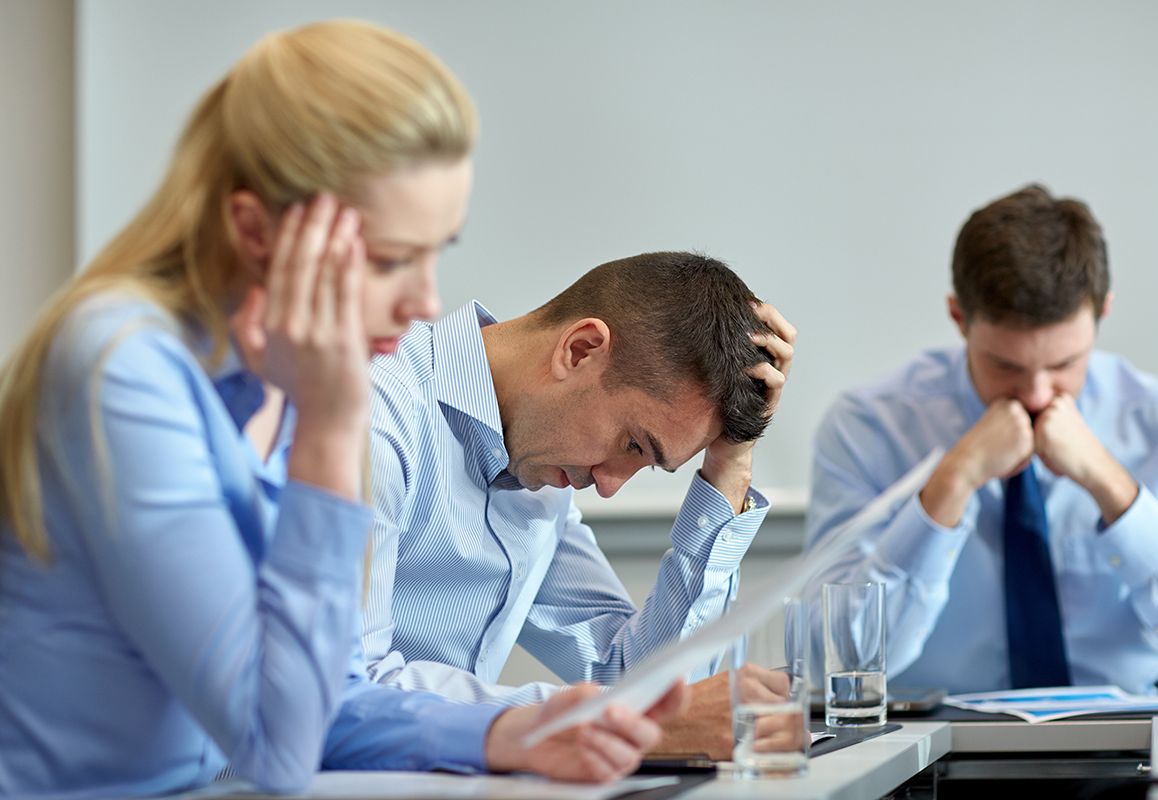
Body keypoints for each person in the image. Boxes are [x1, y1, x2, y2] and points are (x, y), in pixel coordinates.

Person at [0, 20, 685, 798]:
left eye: (436, 252)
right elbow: (280, 746)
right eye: (390, 259)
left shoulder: (285, 376)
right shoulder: (122, 370)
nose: (426, 299)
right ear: (258, 231)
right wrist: (330, 427)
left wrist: (501, 733)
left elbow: (321, 698)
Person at [364, 251, 796, 757]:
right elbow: (350, 692)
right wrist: (596, 721)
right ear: (580, 349)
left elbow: (641, 683)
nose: (610, 486)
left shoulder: (541, 475)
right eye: (633, 444)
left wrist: (731, 464)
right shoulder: (374, 412)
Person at [805, 184, 1158, 694]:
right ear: (958, 317)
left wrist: (1112, 488)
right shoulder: (867, 427)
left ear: (1103, 313)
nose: (1037, 394)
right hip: (930, 755)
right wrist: (950, 485)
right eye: (1005, 365)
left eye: (1063, 365)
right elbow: (834, 663)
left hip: (1126, 749)